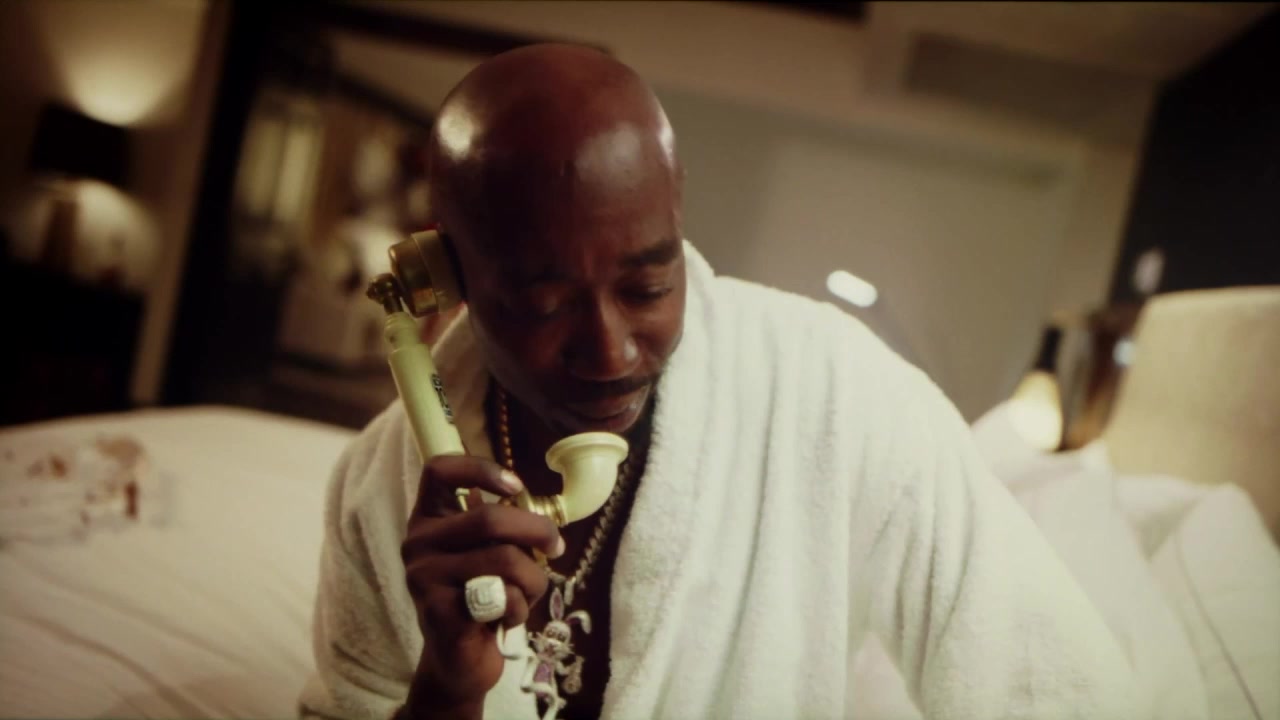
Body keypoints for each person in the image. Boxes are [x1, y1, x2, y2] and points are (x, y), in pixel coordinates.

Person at [299, 44, 1136, 720]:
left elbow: (1048, 684)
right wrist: (445, 692)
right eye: (544, 303)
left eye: (647, 287)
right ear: (446, 276)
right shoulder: (377, 489)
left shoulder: (841, 393)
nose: (611, 352)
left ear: (676, 217)